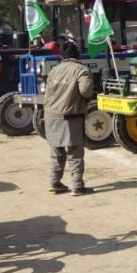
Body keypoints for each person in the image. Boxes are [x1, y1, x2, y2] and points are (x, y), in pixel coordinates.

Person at [43, 41, 94, 196]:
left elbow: (47, 93)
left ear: (62, 56)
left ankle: (54, 183)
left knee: (56, 153)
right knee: (75, 153)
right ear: (77, 55)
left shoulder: (54, 70)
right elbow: (85, 91)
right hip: (70, 117)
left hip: (51, 116)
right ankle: (77, 186)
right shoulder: (81, 70)